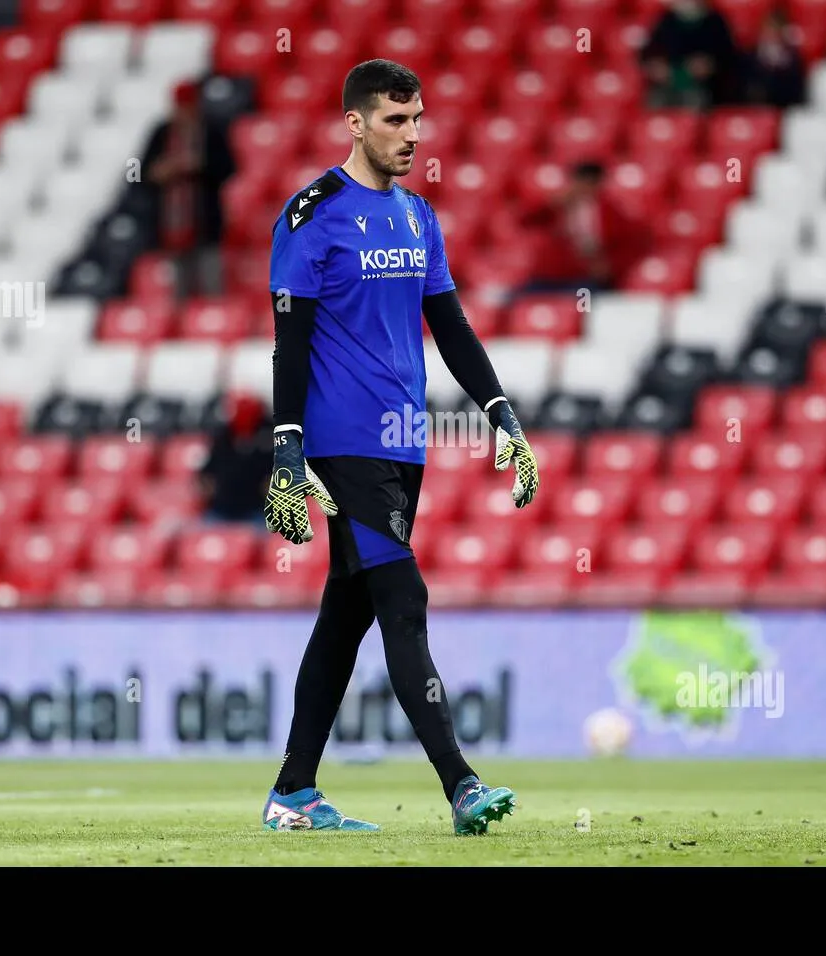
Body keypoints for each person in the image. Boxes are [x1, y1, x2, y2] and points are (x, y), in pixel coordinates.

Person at [261, 58, 539, 835]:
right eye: (394, 120)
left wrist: (502, 415)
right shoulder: (312, 215)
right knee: (403, 601)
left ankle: (293, 794)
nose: (412, 135)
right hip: (342, 446)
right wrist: (289, 450)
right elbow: (290, 343)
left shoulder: (419, 216)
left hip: (404, 445)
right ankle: (462, 784)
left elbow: (449, 325)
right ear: (354, 122)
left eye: (417, 120)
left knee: (344, 617)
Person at [141, 79, 233, 298]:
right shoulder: (162, 133)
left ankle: (210, 326)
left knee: (212, 289)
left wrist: (198, 166)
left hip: (206, 223)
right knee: (177, 294)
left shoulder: (211, 131)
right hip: (170, 226)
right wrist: (164, 171)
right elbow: (141, 172)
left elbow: (228, 168)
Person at [515, 160, 647, 297]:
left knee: (584, 306)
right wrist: (550, 203)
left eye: (589, 182)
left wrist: (610, 266)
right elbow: (524, 220)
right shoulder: (558, 206)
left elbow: (631, 244)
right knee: (513, 303)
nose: (584, 187)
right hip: (548, 276)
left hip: (585, 279)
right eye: (580, 181)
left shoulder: (611, 212)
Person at [638, 0, 738, 110]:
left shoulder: (715, 21)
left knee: (693, 100)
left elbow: (726, 57)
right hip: (668, 83)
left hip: (704, 87)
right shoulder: (666, 20)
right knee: (655, 101)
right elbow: (650, 54)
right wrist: (657, 67)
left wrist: (709, 65)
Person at [195, 392, 272, 524]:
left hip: (255, 511)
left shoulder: (268, 441)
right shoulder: (222, 439)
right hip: (220, 510)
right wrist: (213, 491)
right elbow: (205, 475)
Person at [736, 9, 806, 109]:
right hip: (755, 108)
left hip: (784, 108)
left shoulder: (792, 60)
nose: (771, 34)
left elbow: (796, 92)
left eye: (776, 29)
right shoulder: (749, 56)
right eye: (769, 28)